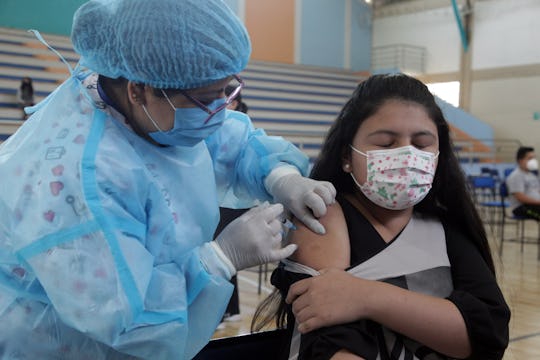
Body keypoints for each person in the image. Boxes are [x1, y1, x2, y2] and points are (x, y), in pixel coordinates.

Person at [0, 0, 337, 359]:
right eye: (209, 98)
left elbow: (229, 140)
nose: (222, 110)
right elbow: (125, 319)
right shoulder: (77, 180)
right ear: (138, 90)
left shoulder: (155, 104)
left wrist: (280, 176)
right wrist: (220, 259)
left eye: (229, 91)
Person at [252, 74, 510, 359]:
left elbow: (486, 335)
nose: (406, 156)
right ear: (346, 156)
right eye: (386, 144)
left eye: (421, 144)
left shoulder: (446, 227)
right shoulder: (322, 217)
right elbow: (332, 341)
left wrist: (365, 296)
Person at [216, 84, 251, 326]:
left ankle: (223, 311)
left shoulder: (239, 127)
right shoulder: (216, 124)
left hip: (233, 201)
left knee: (223, 254)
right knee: (224, 255)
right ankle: (230, 309)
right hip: (219, 199)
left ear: (235, 102)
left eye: (224, 98)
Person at [506, 146, 540, 220]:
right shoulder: (516, 176)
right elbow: (520, 197)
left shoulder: (532, 175)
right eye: (530, 158)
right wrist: (538, 202)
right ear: (520, 160)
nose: (533, 161)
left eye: (534, 158)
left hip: (534, 205)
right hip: (522, 208)